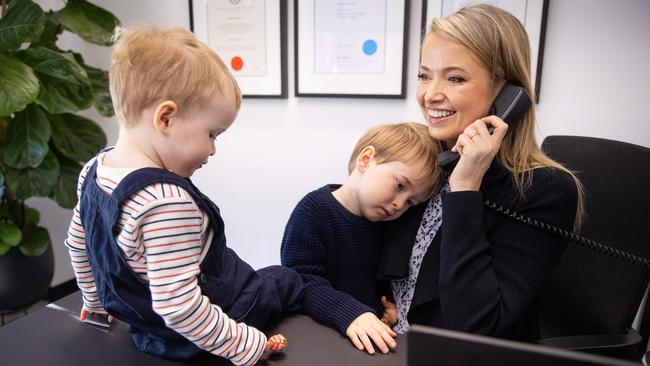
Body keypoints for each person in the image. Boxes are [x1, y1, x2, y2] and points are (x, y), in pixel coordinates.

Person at [64, 26, 303, 366]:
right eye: (212, 134)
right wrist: (245, 343)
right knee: (284, 278)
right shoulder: (164, 202)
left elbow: (79, 244)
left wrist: (97, 302)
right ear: (166, 117)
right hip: (197, 332)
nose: (213, 149)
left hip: (145, 328)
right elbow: (180, 307)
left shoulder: (93, 170)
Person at [378, 4, 584, 341]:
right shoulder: (428, 157)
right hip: (391, 342)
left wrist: (465, 189)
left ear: (506, 92)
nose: (431, 94)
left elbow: (475, 327)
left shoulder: (545, 190)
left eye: (455, 78)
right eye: (424, 75)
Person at [281, 123, 441, 354]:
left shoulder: (387, 223)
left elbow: (378, 281)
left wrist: (390, 308)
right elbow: (302, 281)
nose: (399, 204)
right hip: (320, 334)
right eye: (399, 185)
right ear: (366, 159)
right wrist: (351, 313)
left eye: (410, 202)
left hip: (366, 340)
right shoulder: (313, 211)